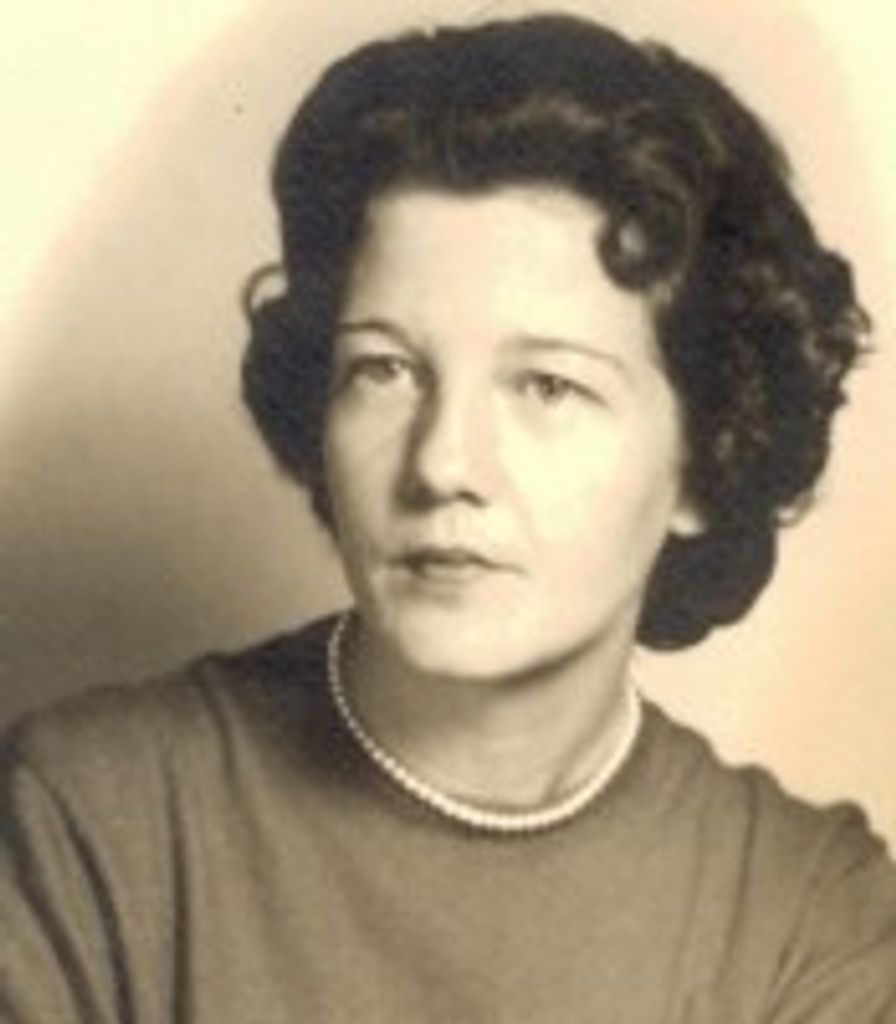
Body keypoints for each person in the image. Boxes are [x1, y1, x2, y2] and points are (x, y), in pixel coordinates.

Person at [2, 13, 895, 1022]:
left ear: (706, 455)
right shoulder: (91, 821)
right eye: (385, 369)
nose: (441, 464)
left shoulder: (802, 916)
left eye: (548, 385)